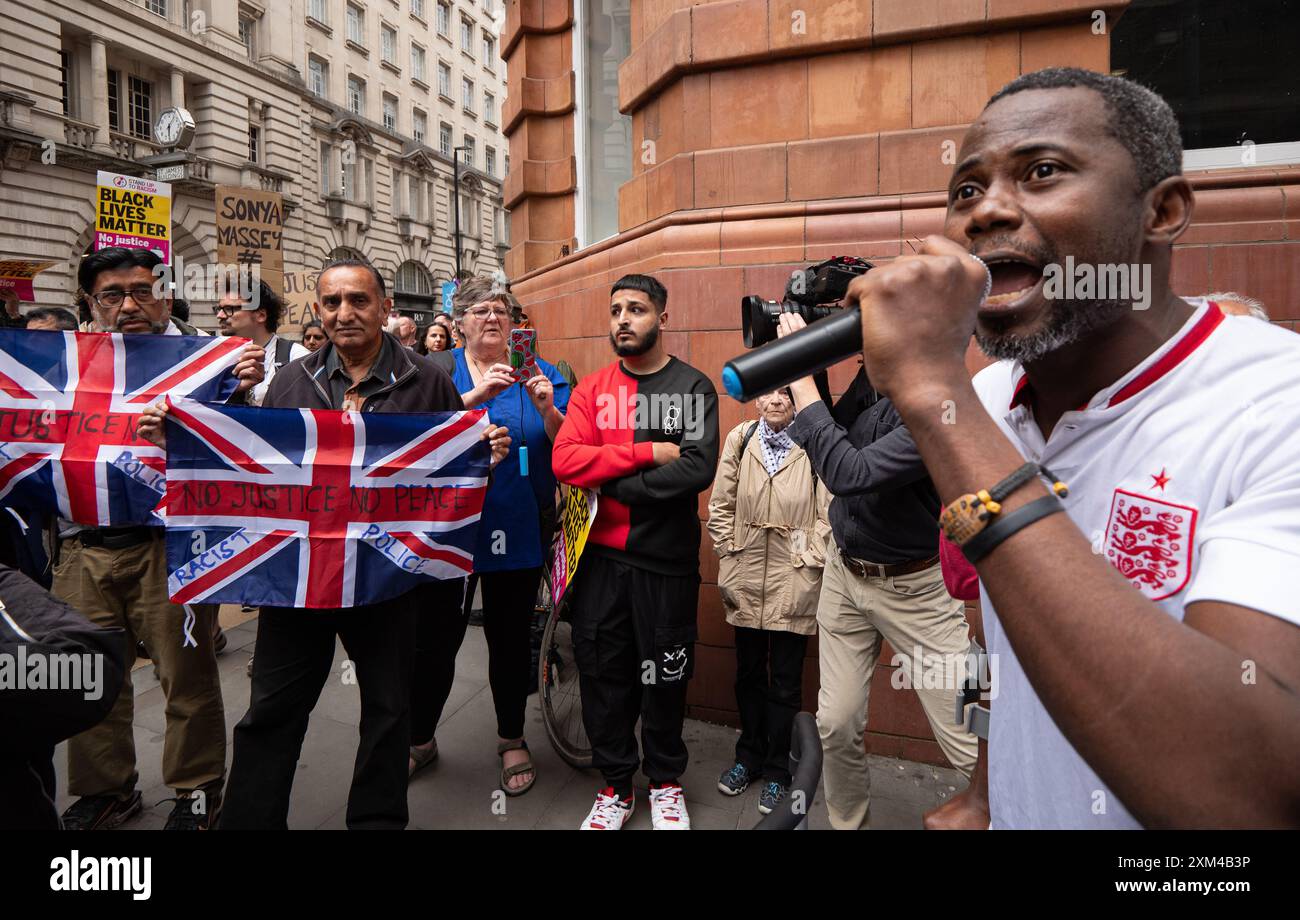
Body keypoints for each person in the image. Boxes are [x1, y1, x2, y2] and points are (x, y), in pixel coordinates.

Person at [845, 67, 1300, 828]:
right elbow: (1008, 635)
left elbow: (1247, 797)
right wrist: (988, 790)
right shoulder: (990, 399)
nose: (986, 210)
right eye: (965, 190)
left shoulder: (1274, 403)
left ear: (1163, 210)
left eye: (1042, 172)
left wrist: (932, 391)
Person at [141, 258, 509, 830]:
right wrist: (185, 439)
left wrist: (479, 456)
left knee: (389, 710)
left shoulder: (427, 379)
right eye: (332, 302)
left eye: (359, 301)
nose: (345, 314)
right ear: (318, 311)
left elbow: (444, 467)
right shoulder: (290, 381)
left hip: (387, 581)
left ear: (385, 309)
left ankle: (377, 820)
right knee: (272, 711)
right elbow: (255, 467)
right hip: (298, 582)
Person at [55, 246, 264, 831]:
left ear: (167, 293)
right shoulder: (65, 364)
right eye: (111, 295)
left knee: (186, 678)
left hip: (173, 548)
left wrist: (237, 399)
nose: (129, 305)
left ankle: (198, 794)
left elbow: (247, 462)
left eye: (142, 290)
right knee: (89, 679)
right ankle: (105, 790)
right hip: (83, 547)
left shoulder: (211, 362)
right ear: (90, 303)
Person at [774, 321, 978, 830]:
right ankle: (849, 825)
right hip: (846, 576)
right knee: (835, 724)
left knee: (967, 738)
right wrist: (815, 372)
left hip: (917, 590)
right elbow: (835, 437)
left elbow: (851, 474)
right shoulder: (875, 376)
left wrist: (799, 372)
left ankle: (1023, 813)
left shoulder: (934, 401)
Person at [552, 273, 719, 830]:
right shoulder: (593, 389)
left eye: (637, 309)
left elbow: (696, 468)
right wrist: (647, 451)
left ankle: (666, 782)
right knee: (604, 675)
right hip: (600, 561)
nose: (623, 319)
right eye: (616, 309)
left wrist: (611, 479)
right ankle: (616, 786)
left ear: (662, 318)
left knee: (665, 678)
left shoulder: (692, 387)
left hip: (665, 565)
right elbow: (566, 460)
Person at [408, 277, 569, 794]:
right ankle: (419, 738)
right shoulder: (433, 371)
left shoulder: (540, 373)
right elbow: (407, 435)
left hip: (517, 526)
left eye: (501, 310)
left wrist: (545, 407)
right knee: (436, 640)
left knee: (508, 637)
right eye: (480, 310)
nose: (492, 318)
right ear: (458, 323)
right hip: (446, 530)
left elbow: (573, 446)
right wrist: (476, 396)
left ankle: (511, 736)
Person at [707, 387, 829, 815]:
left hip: (793, 576)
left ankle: (779, 771)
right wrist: (729, 548)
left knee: (785, 681)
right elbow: (720, 504)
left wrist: (808, 558)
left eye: (785, 392)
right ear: (756, 400)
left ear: (797, 400)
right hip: (745, 573)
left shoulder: (815, 440)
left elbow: (827, 514)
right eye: (768, 393)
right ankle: (748, 756)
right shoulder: (740, 439)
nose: (776, 400)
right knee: (748, 674)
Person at [216, 276, 309, 406]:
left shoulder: (297, 358)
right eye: (219, 309)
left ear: (261, 315)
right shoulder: (216, 360)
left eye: (230, 309)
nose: (219, 315)